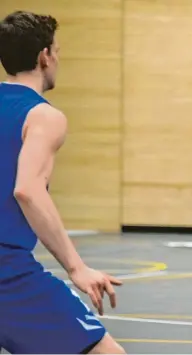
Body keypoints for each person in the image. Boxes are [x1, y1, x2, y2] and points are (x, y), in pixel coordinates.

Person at [0, 10, 125, 354]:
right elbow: (27, 189)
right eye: (57, 51)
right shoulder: (42, 116)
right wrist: (76, 267)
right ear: (45, 56)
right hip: (8, 274)